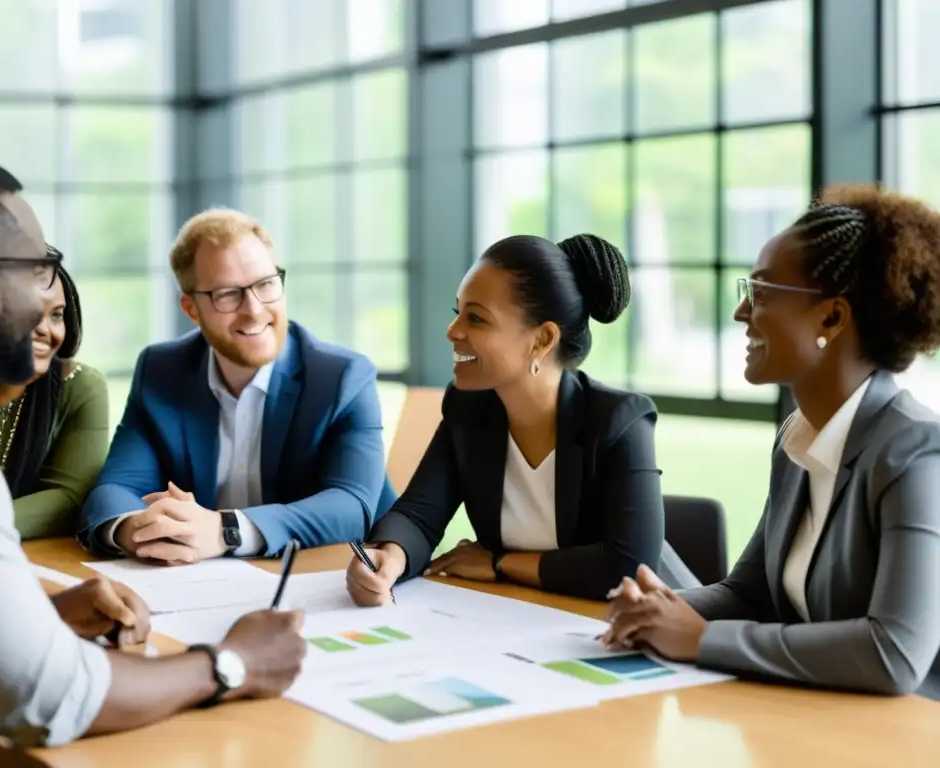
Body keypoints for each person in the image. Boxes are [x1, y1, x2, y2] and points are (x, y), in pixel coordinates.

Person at [0, 150, 306, 751]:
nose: (52, 300)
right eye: (37, 265)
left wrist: (36, 619)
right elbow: (48, 702)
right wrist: (232, 663)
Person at [603, 184, 940, 699]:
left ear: (831, 316)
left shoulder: (913, 451)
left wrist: (702, 639)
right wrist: (664, 610)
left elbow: (893, 652)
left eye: (761, 292)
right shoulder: (799, 438)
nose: (741, 312)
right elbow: (750, 590)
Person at [347, 233, 678, 605]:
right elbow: (419, 514)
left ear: (542, 339)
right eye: (458, 313)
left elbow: (628, 567)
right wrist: (389, 556)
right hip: (528, 619)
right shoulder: (468, 409)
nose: (452, 332)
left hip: (638, 625)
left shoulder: (620, 421)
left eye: (477, 319)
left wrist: (501, 563)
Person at [78, 207, 396, 563]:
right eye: (228, 294)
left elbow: (351, 506)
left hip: (332, 578)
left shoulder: (342, 377)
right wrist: (138, 528)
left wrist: (224, 530)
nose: (255, 310)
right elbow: (116, 488)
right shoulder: (161, 370)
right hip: (206, 586)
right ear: (191, 309)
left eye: (266, 284)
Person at [0, 261, 108, 539]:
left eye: (56, 315)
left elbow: (68, 498)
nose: (45, 329)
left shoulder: (81, 385)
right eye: (28, 312)